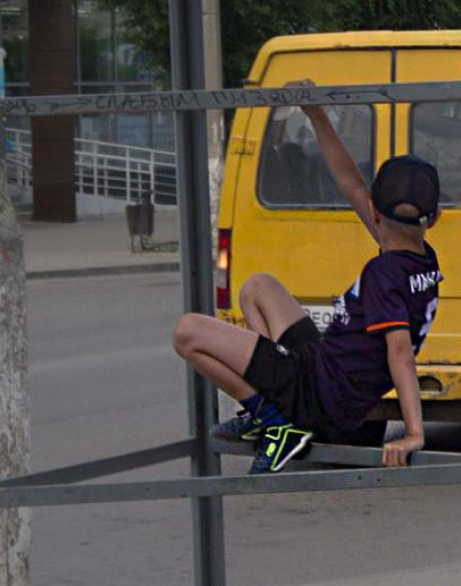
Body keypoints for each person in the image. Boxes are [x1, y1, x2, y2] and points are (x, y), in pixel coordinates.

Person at [173, 94, 443, 474]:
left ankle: (274, 421)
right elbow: (350, 182)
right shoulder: (419, 255)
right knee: (258, 287)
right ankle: (269, 406)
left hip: (317, 394)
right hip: (323, 367)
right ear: (434, 219)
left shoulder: (383, 275)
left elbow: (399, 353)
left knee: (188, 333)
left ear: (376, 213)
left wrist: (414, 432)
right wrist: (315, 113)